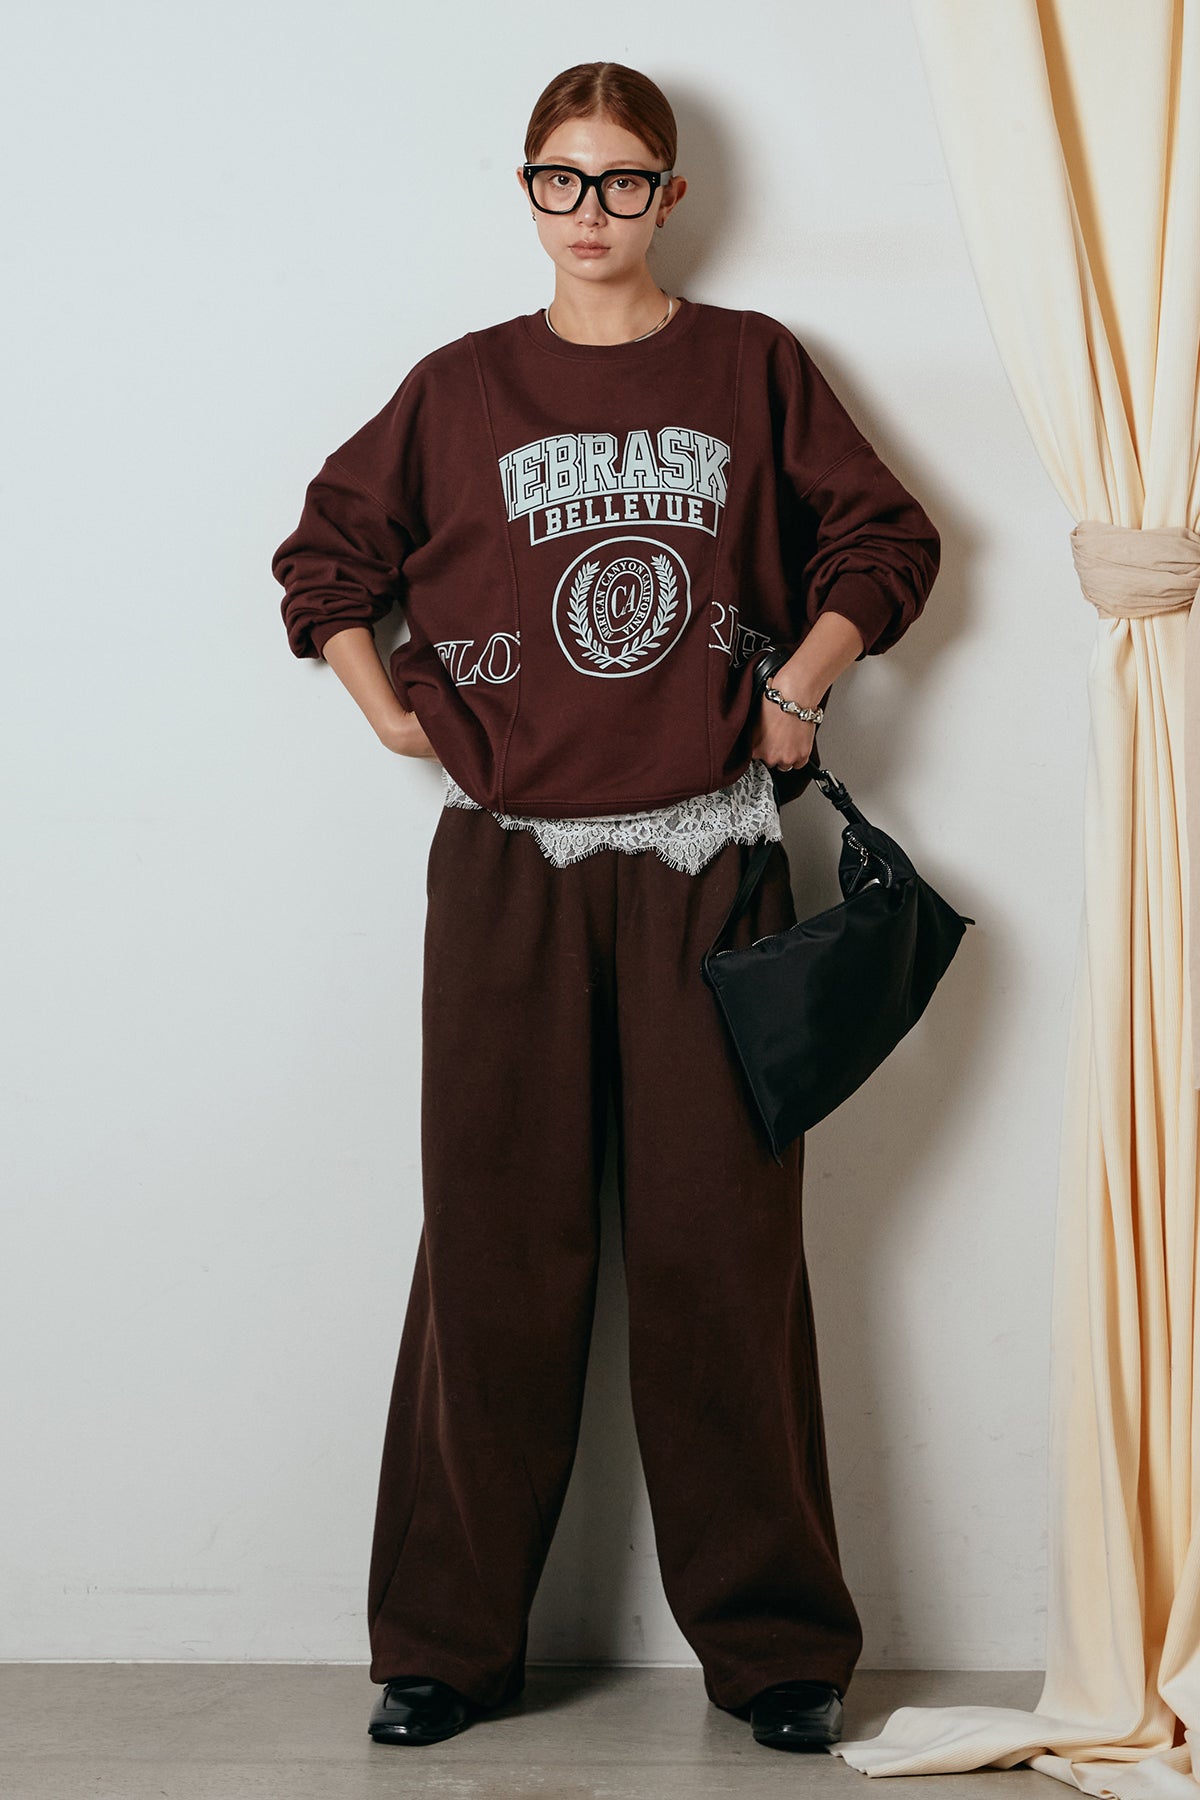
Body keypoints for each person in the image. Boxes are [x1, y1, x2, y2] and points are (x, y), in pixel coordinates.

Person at [271, 59, 940, 1756]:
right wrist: (390, 711)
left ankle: (776, 1650)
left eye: (622, 180)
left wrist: (799, 685)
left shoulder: (753, 365)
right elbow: (325, 556)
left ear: (670, 196)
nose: (590, 211)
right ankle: (444, 1645)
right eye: (560, 180)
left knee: (725, 1253)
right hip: (513, 871)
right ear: (527, 192)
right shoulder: (460, 387)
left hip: (712, 859)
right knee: (495, 1249)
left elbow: (884, 538)